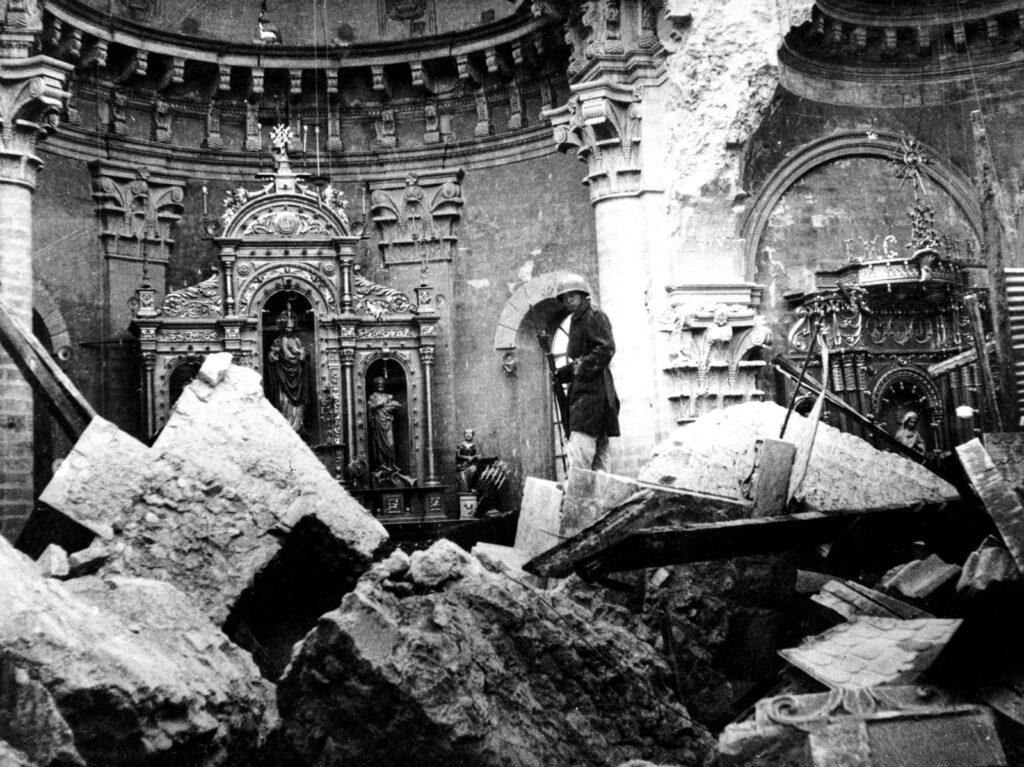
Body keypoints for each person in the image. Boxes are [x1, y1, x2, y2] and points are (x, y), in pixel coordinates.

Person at [554, 274, 620, 472]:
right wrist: (561, 374)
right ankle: (598, 499)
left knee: (581, 459)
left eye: (572, 296)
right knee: (596, 458)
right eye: (565, 298)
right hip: (586, 392)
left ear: (583, 295)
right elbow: (580, 358)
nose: (568, 300)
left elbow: (606, 348)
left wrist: (580, 367)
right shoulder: (578, 318)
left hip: (593, 393)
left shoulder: (593, 315)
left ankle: (583, 501)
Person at [266, 307, 308, 432]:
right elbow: (271, 357)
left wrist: (302, 353)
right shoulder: (277, 341)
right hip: (282, 377)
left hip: (297, 376)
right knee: (283, 400)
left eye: (292, 326)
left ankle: (297, 425)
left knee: (298, 404)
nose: (289, 328)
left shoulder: (297, 340)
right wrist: (274, 354)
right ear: (283, 327)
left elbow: (304, 354)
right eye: (287, 326)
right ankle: (286, 428)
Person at [368, 376, 402, 470]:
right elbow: (370, 408)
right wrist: (381, 403)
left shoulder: (388, 396)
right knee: (379, 444)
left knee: (391, 443)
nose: (381, 386)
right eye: (379, 384)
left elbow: (393, 405)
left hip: (387, 421)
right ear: (375, 385)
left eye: (382, 384)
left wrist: (394, 407)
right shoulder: (372, 396)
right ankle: (382, 465)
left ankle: (392, 464)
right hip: (378, 422)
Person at [455, 428, 481, 492]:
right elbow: (457, 456)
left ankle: (471, 488)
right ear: (464, 435)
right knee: (464, 488)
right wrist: (467, 458)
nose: (468, 435)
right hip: (462, 467)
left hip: (471, 466)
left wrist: (474, 457)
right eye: (466, 433)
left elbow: (479, 456)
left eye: (470, 433)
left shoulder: (475, 446)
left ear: (472, 435)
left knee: (473, 469)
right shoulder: (460, 445)